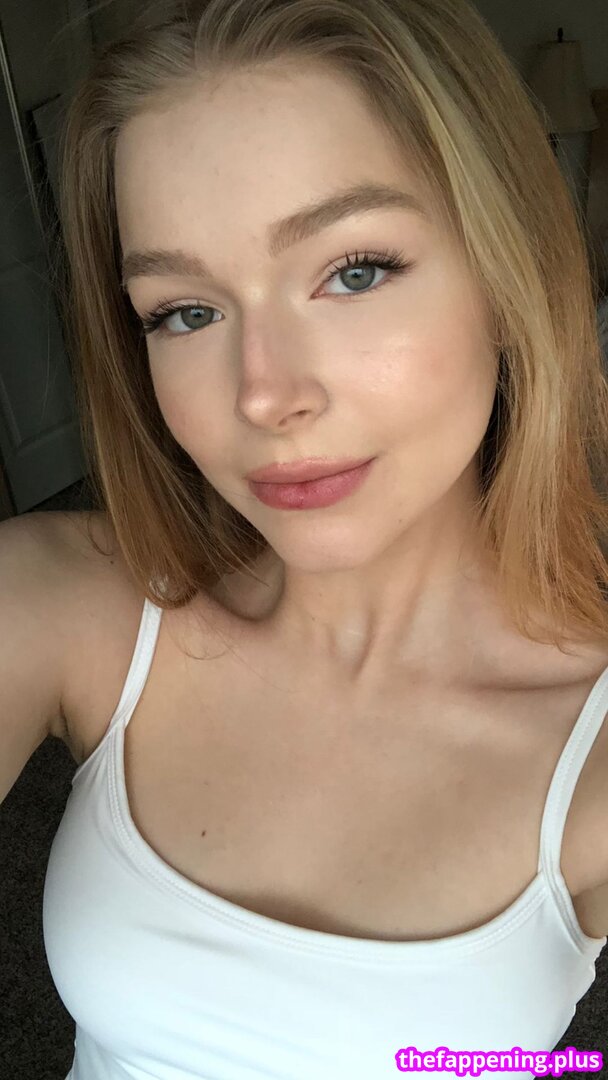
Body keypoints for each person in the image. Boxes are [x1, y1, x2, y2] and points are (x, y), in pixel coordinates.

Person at [3, 0, 608, 1077]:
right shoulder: (63, 601)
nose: (264, 395)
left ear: (504, 272)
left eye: (354, 271)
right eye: (184, 311)